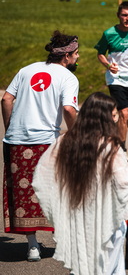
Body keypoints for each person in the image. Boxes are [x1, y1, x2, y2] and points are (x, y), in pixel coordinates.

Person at [32, 92, 128, 275]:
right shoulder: (110, 146)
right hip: (106, 220)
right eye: (113, 115)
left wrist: (57, 209)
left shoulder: (64, 141)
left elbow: (42, 177)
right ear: (103, 118)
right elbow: (123, 183)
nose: (116, 119)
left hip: (75, 217)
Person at [2, 30, 80, 261]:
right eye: (76, 53)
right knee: (59, 190)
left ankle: (33, 245)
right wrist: (76, 133)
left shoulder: (26, 70)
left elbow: (6, 99)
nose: (78, 57)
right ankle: (61, 239)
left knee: (24, 194)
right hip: (46, 142)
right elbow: (69, 109)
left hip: (16, 141)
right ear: (66, 56)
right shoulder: (68, 77)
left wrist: (10, 128)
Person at [95, 1, 128, 146]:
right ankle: (121, 148)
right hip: (116, 78)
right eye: (124, 15)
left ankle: (112, 131)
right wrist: (108, 65)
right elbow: (100, 53)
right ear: (118, 15)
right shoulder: (109, 34)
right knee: (124, 114)